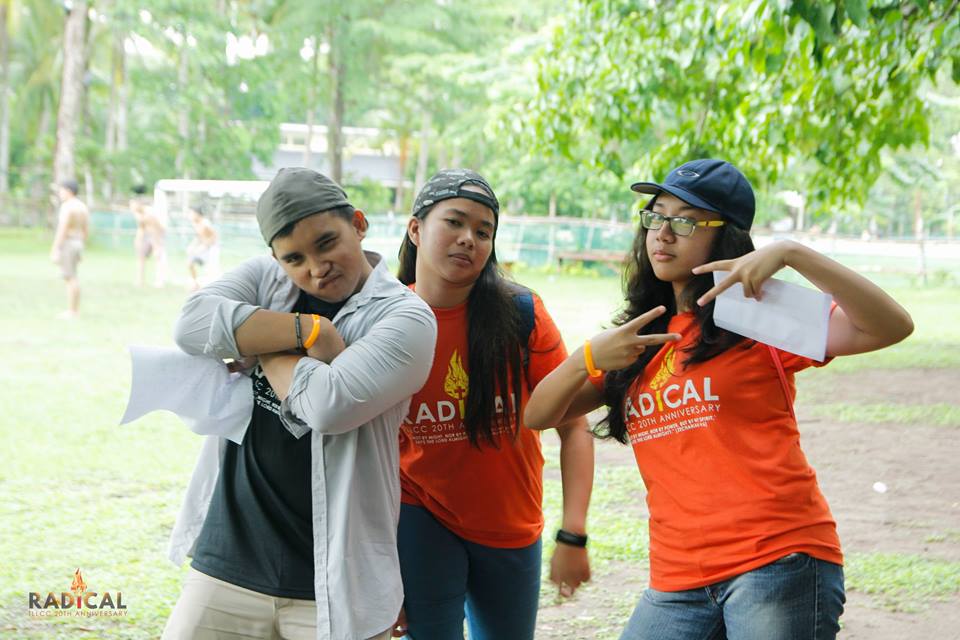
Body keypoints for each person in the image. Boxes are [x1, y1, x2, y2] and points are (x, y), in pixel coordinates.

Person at [523, 159, 914, 640]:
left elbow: (890, 326)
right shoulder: (641, 338)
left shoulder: (756, 313)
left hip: (777, 559)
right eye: (656, 216)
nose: (664, 233)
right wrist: (586, 357)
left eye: (686, 221)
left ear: (725, 236)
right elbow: (539, 415)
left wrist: (792, 253)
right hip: (678, 577)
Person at [162, 167, 437, 640]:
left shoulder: (406, 317)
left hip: (337, 587)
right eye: (294, 258)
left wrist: (263, 343)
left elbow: (327, 406)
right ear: (276, 258)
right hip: (228, 564)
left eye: (327, 243)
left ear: (358, 224)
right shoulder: (266, 279)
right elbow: (190, 325)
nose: (315, 267)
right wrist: (309, 330)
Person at [394, 169, 595, 640]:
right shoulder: (382, 319)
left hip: (508, 522)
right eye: (455, 222)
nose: (469, 238)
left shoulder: (521, 314)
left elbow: (574, 427)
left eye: (483, 232)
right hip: (419, 513)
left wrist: (573, 532)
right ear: (416, 229)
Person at [49, 178, 89, 318]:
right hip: (78, 242)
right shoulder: (82, 206)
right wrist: (82, 246)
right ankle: (74, 310)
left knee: (70, 278)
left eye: (61, 190)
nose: (60, 193)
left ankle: (72, 311)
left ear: (68, 191)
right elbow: (85, 230)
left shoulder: (67, 207)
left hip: (69, 243)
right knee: (73, 277)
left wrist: (55, 248)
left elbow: (63, 229)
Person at [130, 184, 167, 287]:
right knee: (141, 258)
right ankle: (140, 280)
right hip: (145, 236)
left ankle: (159, 280)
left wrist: (157, 243)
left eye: (133, 205)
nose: (131, 207)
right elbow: (141, 227)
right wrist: (138, 239)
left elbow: (157, 229)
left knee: (158, 256)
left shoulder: (149, 213)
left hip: (155, 236)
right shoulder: (138, 214)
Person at [185, 205, 220, 290]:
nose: (190, 215)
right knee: (190, 263)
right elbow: (198, 237)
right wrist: (191, 246)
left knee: (211, 271)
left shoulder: (205, 224)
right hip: (204, 248)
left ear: (197, 214)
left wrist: (203, 247)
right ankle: (196, 284)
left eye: (191, 213)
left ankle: (214, 288)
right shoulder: (195, 223)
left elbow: (214, 237)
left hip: (212, 249)